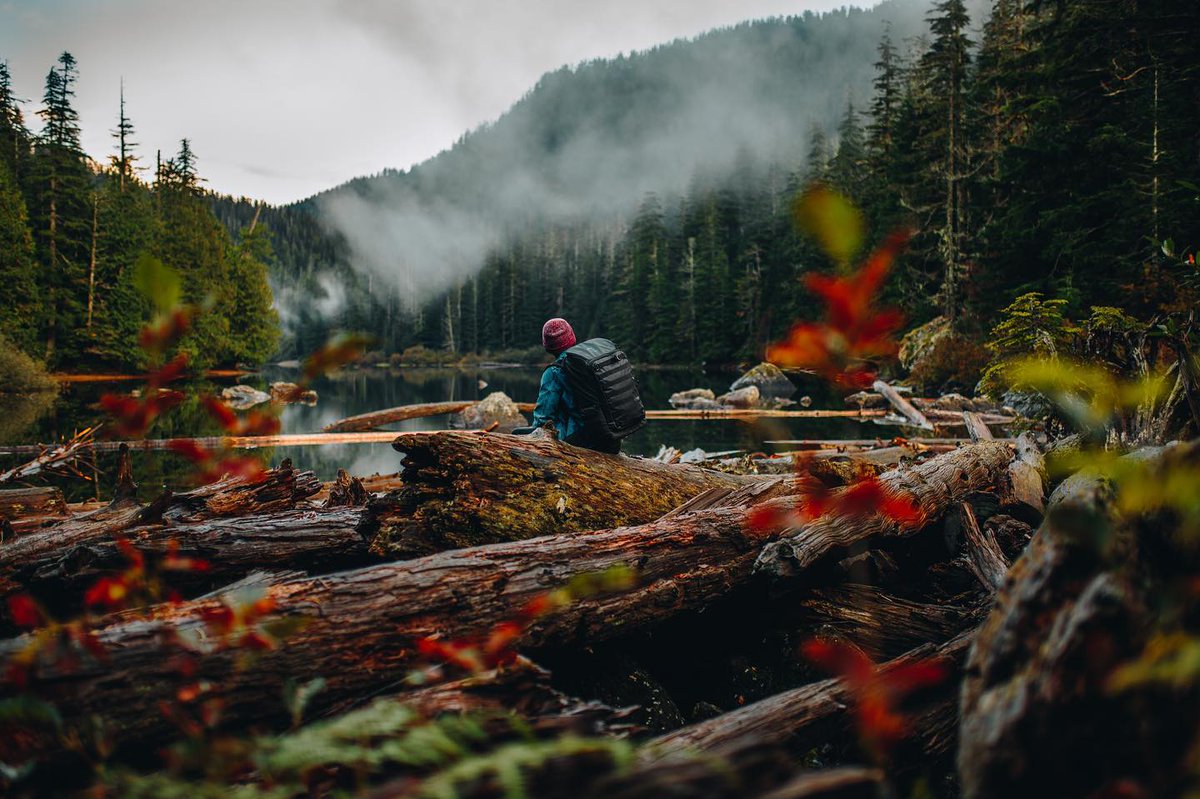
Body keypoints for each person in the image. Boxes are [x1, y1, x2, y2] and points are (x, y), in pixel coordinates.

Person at [514, 318, 644, 454]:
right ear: (572, 337)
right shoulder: (589, 361)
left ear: (547, 345)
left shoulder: (554, 371)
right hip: (611, 438)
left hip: (580, 443)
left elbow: (542, 419)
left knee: (517, 434)